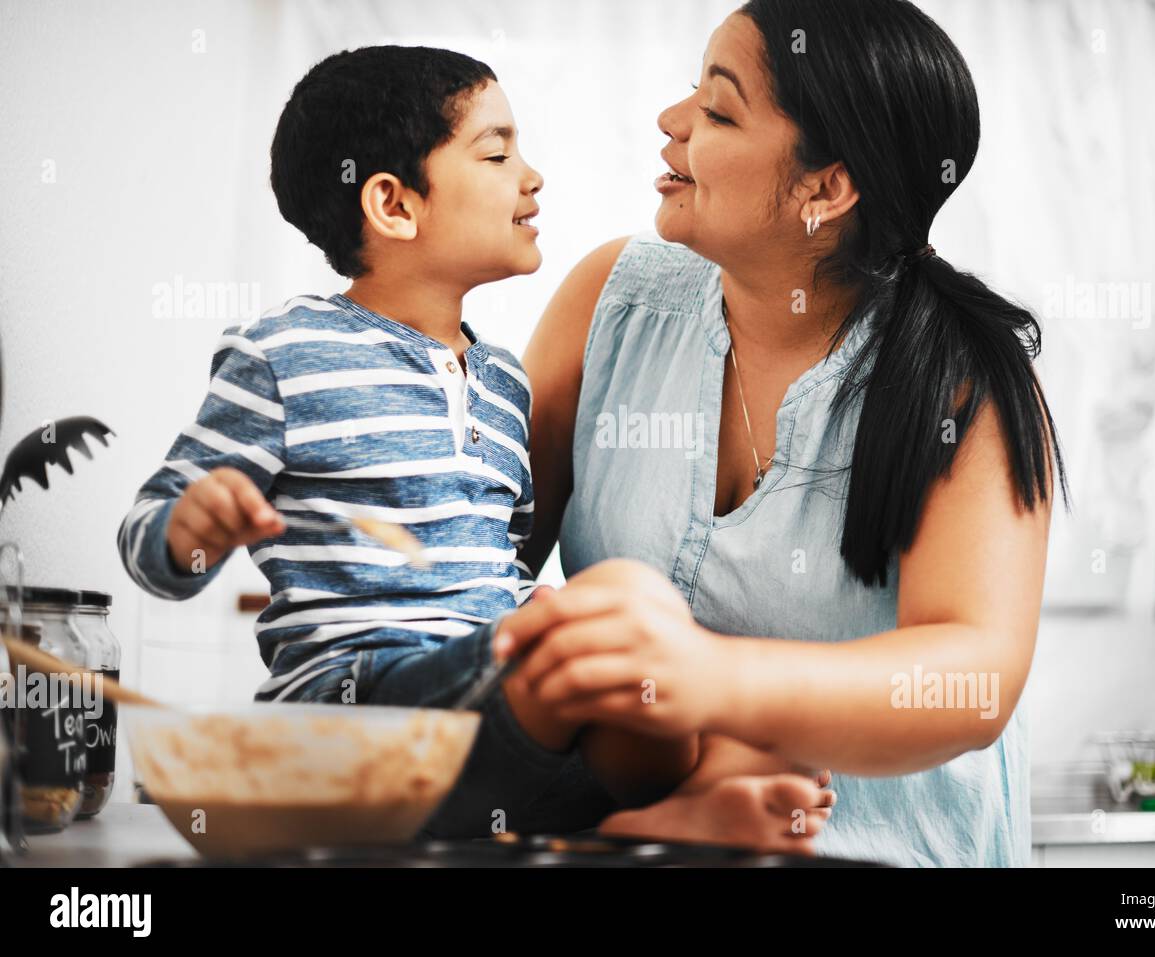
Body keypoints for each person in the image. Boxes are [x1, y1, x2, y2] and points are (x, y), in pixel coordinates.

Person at [499, 0, 1068, 865]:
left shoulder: (963, 377)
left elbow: (971, 680)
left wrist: (703, 679)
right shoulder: (609, 302)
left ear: (825, 188)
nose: (672, 122)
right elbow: (480, 559)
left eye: (719, 110)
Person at [114, 45, 721, 840]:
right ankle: (668, 808)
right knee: (624, 615)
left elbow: (503, 563)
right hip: (353, 711)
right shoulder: (283, 353)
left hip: (482, 724)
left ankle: (667, 807)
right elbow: (145, 537)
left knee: (664, 681)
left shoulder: (504, 384)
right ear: (394, 206)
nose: (531, 176)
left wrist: (525, 620)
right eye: (498, 153)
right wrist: (190, 530)